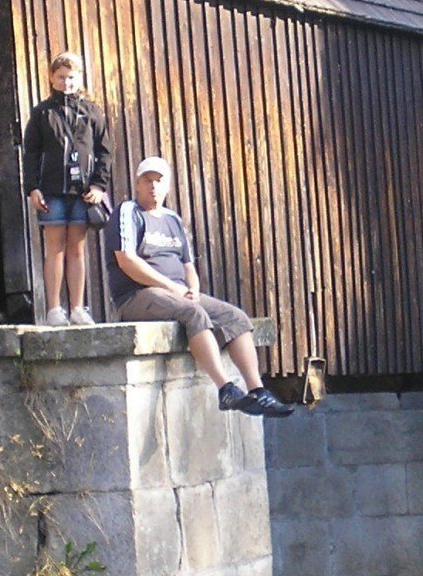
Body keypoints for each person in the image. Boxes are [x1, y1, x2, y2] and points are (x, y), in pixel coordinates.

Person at [108, 157, 295, 417]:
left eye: (158, 181)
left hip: (177, 293)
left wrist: (193, 288)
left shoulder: (173, 220)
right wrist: (172, 288)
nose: (153, 186)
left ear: (167, 187)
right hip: (136, 295)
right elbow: (127, 261)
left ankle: (258, 391)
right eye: (147, 181)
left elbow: (188, 265)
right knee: (193, 313)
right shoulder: (128, 212)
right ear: (137, 185)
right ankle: (226, 389)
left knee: (235, 318)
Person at [21, 52, 111, 326]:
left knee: (77, 249)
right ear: (51, 77)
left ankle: (77, 308)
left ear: (79, 78)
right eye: (60, 77)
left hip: (83, 192)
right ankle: (53, 310)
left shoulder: (93, 111)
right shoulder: (41, 113)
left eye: (71, 77)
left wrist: (99, 185)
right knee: (55, 249)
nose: (66, 82)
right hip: (51, 190)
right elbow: (31, 153)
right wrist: (33, 188)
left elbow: (105, 152)